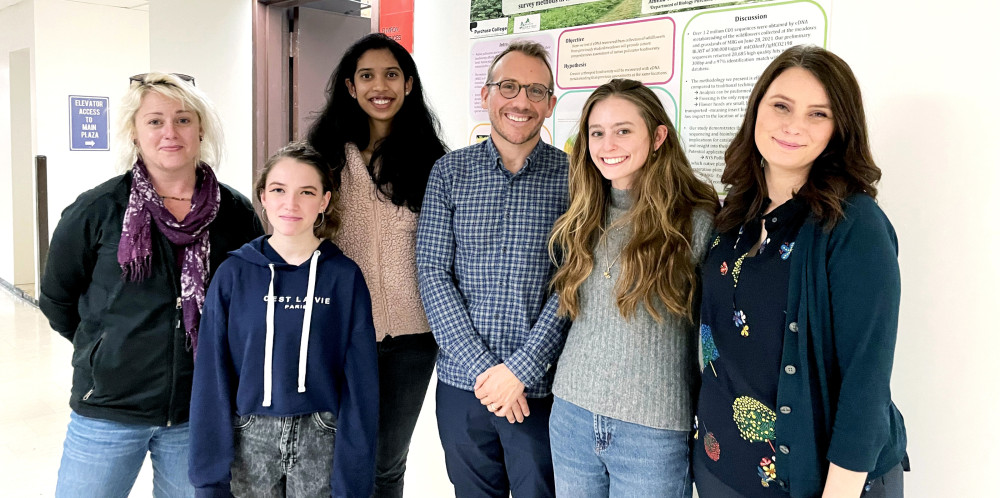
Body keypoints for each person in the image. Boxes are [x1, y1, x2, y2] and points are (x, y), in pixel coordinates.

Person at [692, 45, 908, 497]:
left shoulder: (854, 225)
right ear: (757, 111)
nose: (794, 126)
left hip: (815, 481)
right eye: (781, 106)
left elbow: (866, 380)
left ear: (839, 129)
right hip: (722, 467)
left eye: (818, 114)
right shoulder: (735, 212)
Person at [39, 72, 262, 497]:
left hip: (197, 411)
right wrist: (107, 350)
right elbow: (57, 301)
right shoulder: (97, 209)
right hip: (108, 408)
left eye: (183, 119)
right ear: (135, 133)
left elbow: (247, 305)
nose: (170, 133)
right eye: (155, 121)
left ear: (201, 129)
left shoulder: (234, 213)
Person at [546, 79, 719, 497]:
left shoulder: (696, 222)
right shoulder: (583, 212)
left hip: (653, 430)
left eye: (623, 130)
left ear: (658, 136)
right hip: (570, 413)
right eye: (597, 132)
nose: (608, 144)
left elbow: (714, 333)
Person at [416, 40, 570, 497]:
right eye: (508, 86)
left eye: (535, 91)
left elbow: (573, 283)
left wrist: (519, 370)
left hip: (539, 390)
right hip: (463, 386)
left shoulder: (575, 178)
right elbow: (432, 273)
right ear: (486, 96)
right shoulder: (449, 173)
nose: (521, 101)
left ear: (550, 104)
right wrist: (487, 372)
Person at [188, 142, 379, 497]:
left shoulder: (344, 277)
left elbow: (361, 382)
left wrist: (354, 478)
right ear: (263, 196)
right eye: (278, 190)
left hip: (322, 434)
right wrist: (209, 475)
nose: (290, 204)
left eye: (306, 192)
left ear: (323, 201)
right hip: (248, 435)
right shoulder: (233, 274)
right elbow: (212, 374)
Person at [305, 32, 448, 498]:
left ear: (408, 84)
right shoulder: (322, 157)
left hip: (412, 339)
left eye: (391, 74)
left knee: (387, 463)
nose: (379, 86)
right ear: (350, 86)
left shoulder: (433, 161)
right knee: (333, 455)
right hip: (338, 331)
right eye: (366, 75)